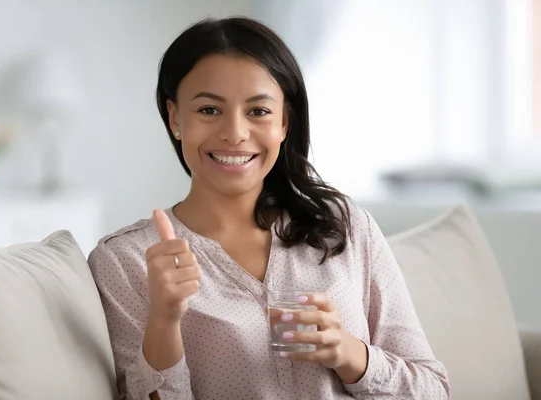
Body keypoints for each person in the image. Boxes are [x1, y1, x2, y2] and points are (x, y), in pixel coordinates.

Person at [88, 16, 450, 400]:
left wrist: (349, 354)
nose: (235, 133)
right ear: (176, 118)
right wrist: (164, 319)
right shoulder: (125, 261)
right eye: (209, 110)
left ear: (284, 122)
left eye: (258, 111)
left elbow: (432, 390)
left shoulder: (343, 226)